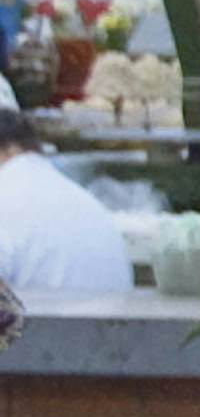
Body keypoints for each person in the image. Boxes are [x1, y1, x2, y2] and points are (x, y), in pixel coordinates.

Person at [0, 96, 134, 305]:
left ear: (8, 149)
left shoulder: (7, 196)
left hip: (47, 333)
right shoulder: (80, 199)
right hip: (113, 332)